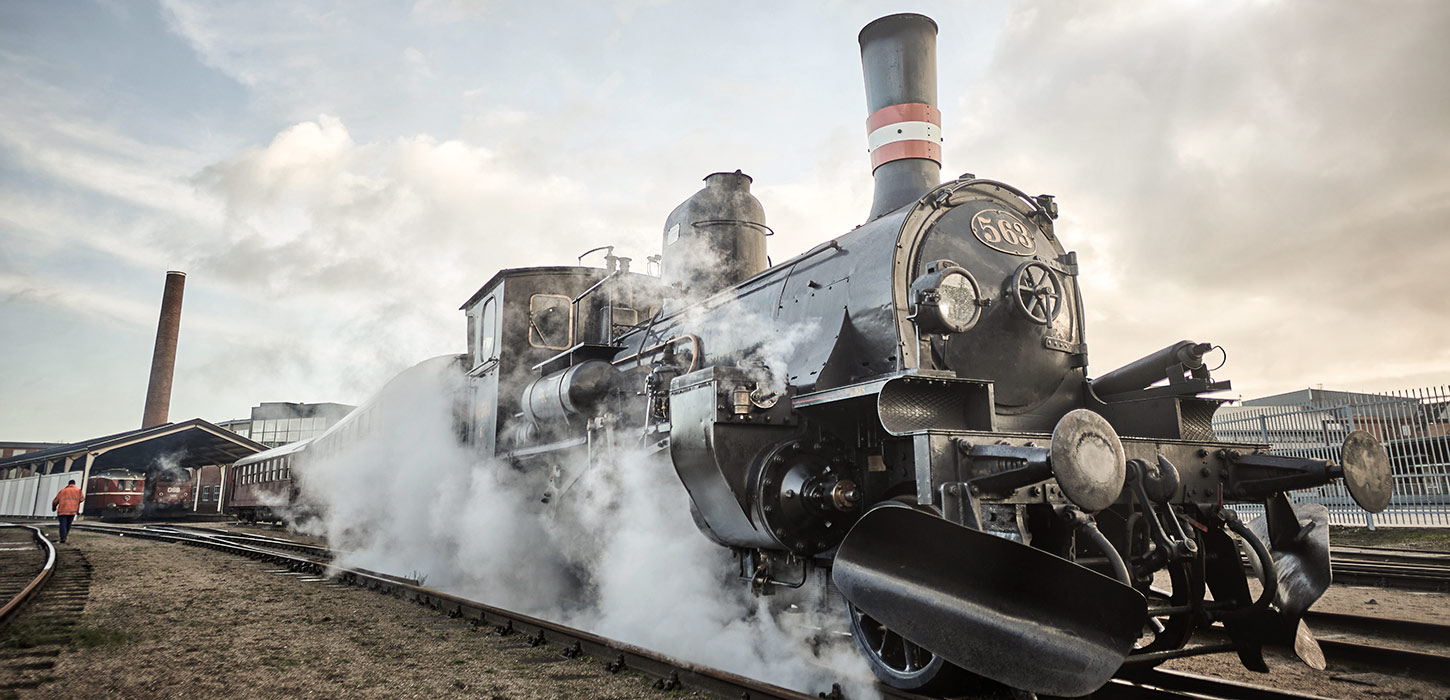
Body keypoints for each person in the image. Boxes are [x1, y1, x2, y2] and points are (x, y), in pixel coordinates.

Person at [52, 479, 83, 543]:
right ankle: (65, 536)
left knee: (63, 524)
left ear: (68, 484)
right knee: (68, 524)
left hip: (62, 510)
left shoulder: (63, 491)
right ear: (74, 484)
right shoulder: (78, 491)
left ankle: (63, 538)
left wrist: (54, 507)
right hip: (72, 511)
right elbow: (82, 499)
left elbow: (55, 501)